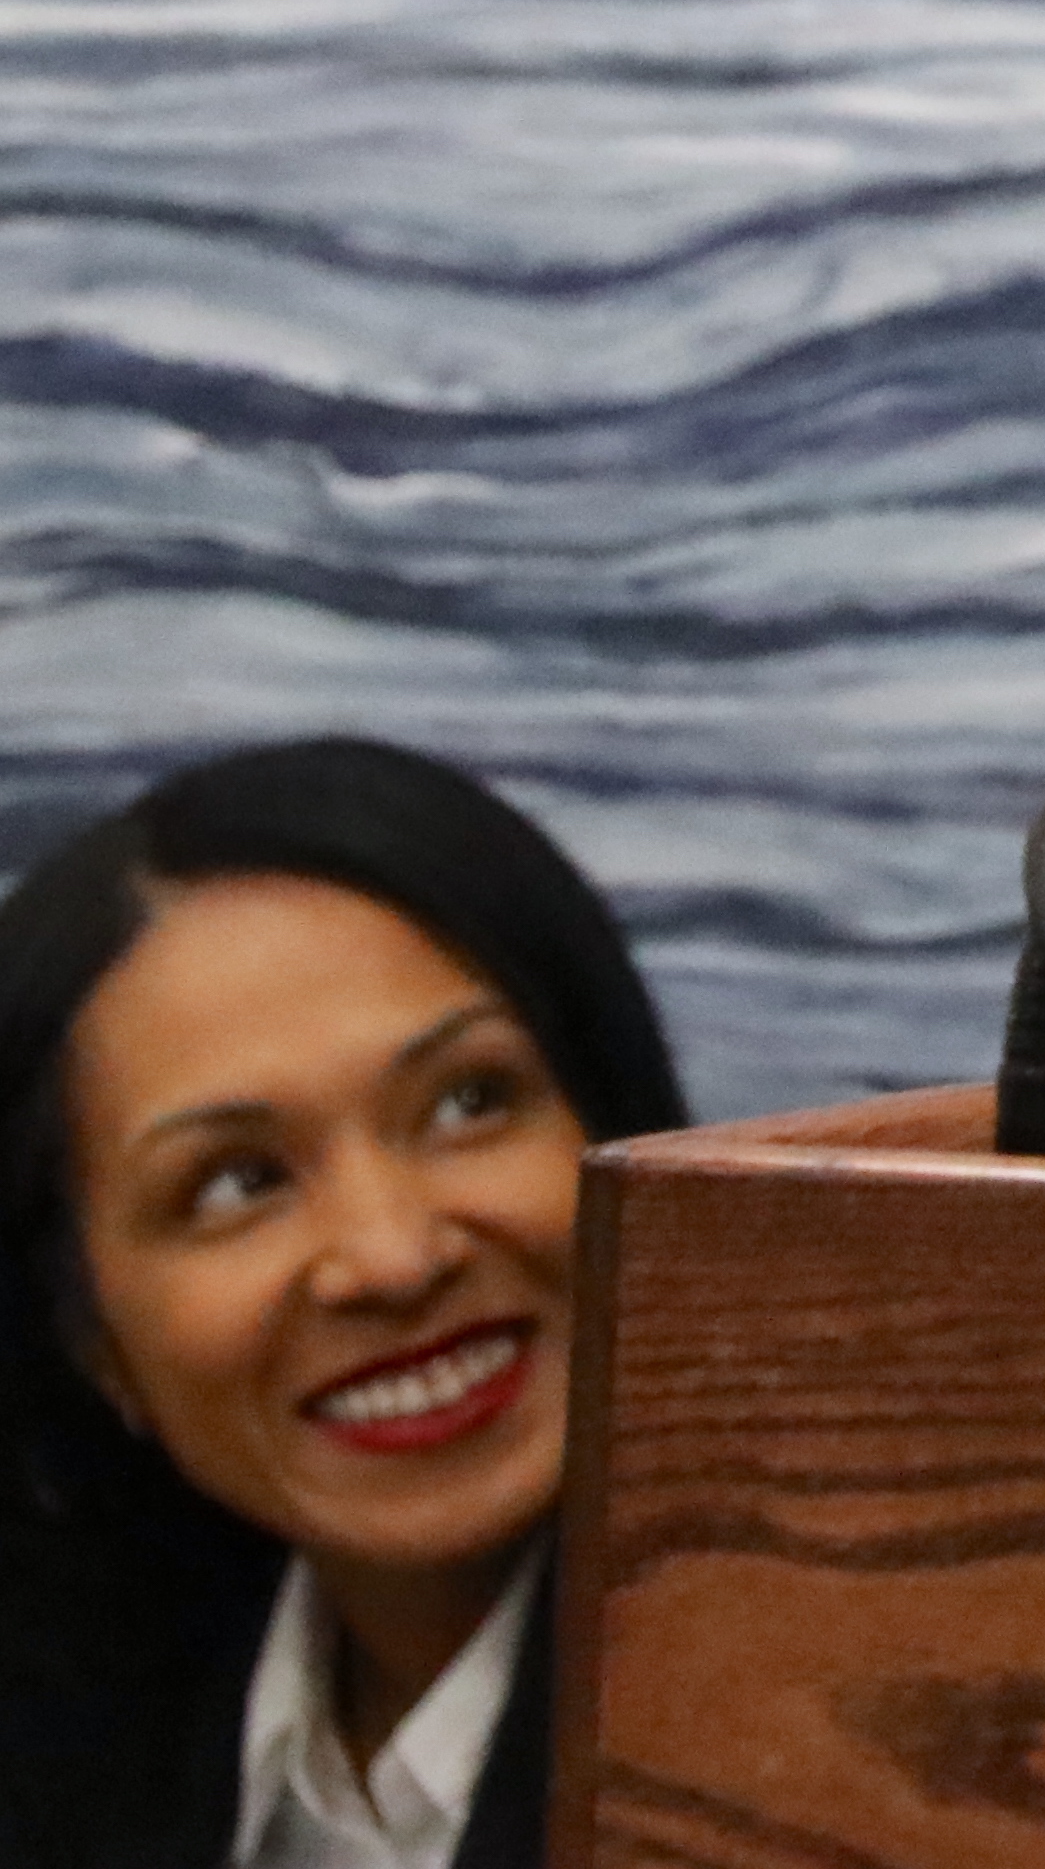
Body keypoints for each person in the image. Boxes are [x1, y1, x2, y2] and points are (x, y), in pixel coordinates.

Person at [0, 737, 690, 1869]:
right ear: (90, 1341)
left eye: (470, 1101)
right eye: (238, 1182)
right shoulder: (66, 1755)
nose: (391, 1257)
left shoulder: (882, 1712)